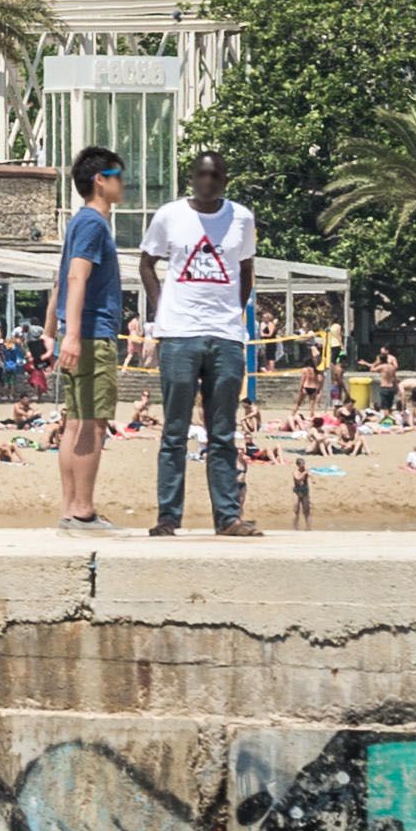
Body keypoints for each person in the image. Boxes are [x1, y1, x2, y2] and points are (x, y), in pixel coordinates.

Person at [143, 145, 265, 541]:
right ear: (192, 178)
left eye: (216, 176)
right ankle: (168, 517)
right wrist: (162, 310)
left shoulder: (241, 218)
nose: (208, 181)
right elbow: (147, 263)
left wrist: (233, 308)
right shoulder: (169, 216)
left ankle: (227, 517)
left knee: (223, 432)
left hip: (226, 336)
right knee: (174, 431)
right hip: (179, 336)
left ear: (224, 181)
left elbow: (246, 270)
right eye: (202, 174)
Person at [46, 145, 131, 530]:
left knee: (76, 422)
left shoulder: (80, 223)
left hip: (81, 332)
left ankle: (70, 509)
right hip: (93, 335)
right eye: (118, 174)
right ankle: (83, 509)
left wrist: (54, 330)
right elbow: (76, 277)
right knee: (93, 423)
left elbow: (60, 280)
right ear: (101, 180)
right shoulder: (94, 224)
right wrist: (74, 336)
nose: (123, 182)